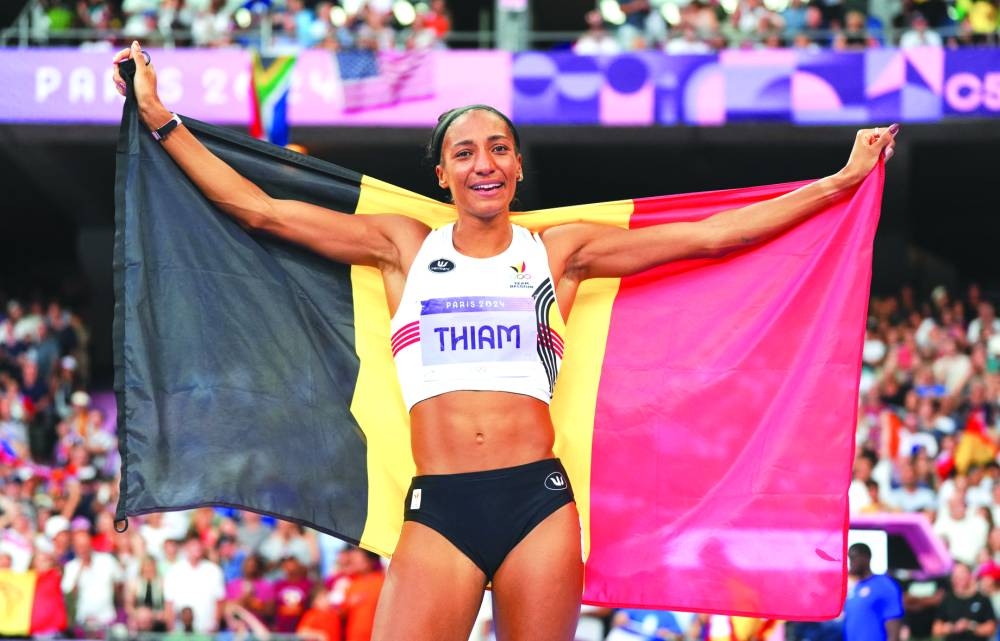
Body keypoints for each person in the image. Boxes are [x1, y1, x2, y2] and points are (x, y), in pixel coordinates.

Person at [112, 40, 896, 641]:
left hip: (538, 505)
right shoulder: (402, 246)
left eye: (498, 148)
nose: (483, 163)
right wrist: (159, 119)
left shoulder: (560, 252)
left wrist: (839, 182)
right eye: (465, 152)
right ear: (442, 174)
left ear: (518, 166)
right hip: (440, 507)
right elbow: (262, 211)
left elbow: (712, 237)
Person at [843, 543, 904, 641]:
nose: (850, 562)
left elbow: (893, 623)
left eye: (853, 557)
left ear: (866, 557)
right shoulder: (854, 588)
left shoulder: (884, 585)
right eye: (849, 558)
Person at [933, 562, 997, 641]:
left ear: (970, 575)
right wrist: (952, 628)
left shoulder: (982, 599)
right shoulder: (947, 599)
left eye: (962, 574)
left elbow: (991, 628)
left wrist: (971, 626)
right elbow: (936, 629)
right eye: (956, 575)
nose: (959, 578)